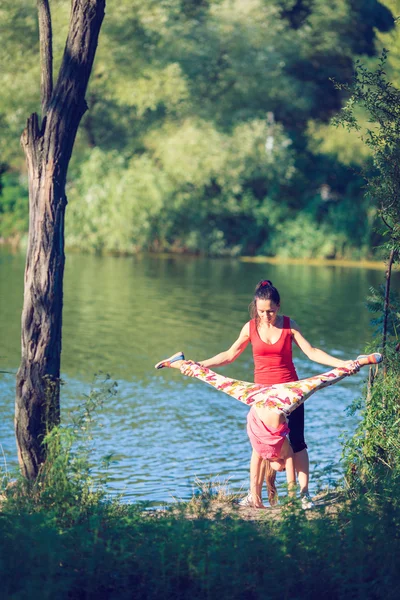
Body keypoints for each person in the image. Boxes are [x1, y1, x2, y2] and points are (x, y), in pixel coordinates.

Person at [155, 279, 382, 509]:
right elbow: (229, 355)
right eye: (262, 311)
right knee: (258, 446)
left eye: (271, 311)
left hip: (289, 394)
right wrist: (202, 364)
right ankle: (254, 496)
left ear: (279, 306)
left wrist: (342, 364)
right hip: (260, 395)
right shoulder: (250, 327)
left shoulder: (289, 325)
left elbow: (312, 352)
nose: (266, 316)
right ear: (256, 307)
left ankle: (302, 495)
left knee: (298, 442)